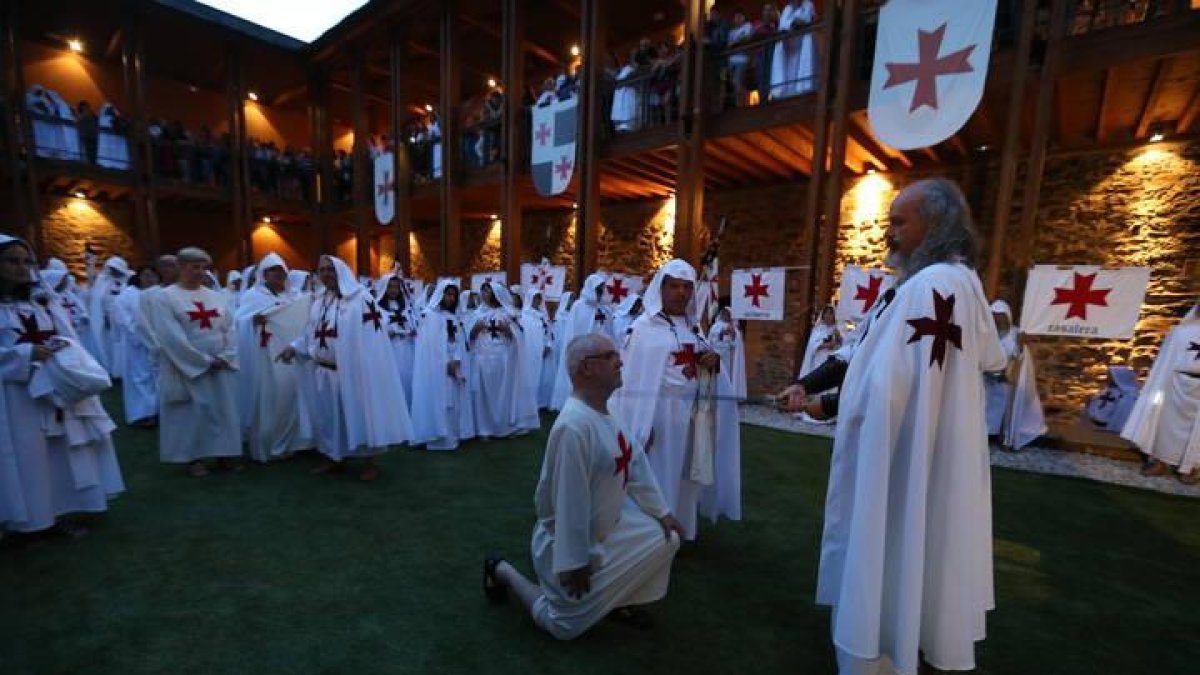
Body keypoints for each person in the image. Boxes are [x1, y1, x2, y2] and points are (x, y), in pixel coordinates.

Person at [780, 179, 1005, 675]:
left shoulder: (932, 287)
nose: (889, 232)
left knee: (895, 538)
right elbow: (859, 352)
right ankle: (901, 643)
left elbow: (890, 387)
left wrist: (827, 405)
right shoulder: (933, 283)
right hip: (918, 448)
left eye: (900, 221)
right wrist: (804, 383)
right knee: (916, 543)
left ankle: (881, 651)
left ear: (937, 224)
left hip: (904, 452)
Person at [483, 333, 683, 639]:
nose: (620, 361)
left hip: (609, 528)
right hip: (565, 540)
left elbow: (636, 464)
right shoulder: (573, 426)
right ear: (586, 368)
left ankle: (617, 601)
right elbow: (569, 503)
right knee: (564, 627)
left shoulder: (607, 411)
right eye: (610, 356)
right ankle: (502, 570)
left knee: (665, 537)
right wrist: (574, 561)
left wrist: (663, 511)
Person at [0, 234, 124, 537]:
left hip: (55, 389)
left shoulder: (40, 302)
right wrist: (25, 354)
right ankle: (26, 521)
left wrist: (62, 349)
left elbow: (68, 335)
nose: (21, 268)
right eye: (12, 261)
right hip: (15, 397)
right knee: (25, 456)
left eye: (27, 261)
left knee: (57, 454)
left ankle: (60, 511)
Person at [611, 260, 742, 541]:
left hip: (691, 418)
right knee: (657, 476)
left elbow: (707, 373)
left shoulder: (693, 328)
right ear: (661, 288)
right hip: (656, 418)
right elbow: (632, 383)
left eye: (686, 287)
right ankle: (651, 536)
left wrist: (714, 363)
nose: (681, 293)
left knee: (685, 477)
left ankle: (681, 531)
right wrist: (638, 426)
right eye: (674, 286)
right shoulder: (643, 329)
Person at [278, 255, 411, 480]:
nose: (326, 274)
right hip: (323, 370)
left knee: (361, 414)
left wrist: (364, 366)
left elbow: (372, 338)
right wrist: (294, 347)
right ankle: (333, 458)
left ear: (341, 270)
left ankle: (370, 462)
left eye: (330, 269)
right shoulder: (320, 301)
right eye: (322, 271)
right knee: (329, 417)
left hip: (354, 371)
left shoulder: (361, 299)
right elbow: (310, 333)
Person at [145, 247, 242, 477]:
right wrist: (203, 360)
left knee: (223, 410)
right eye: (194, 266)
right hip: (187, 366)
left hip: (220, 364)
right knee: (190, 413)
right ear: (180, 267)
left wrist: (226, 355)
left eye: (203, 267)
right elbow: (170, 335)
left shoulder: (215, 296)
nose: (200, 272)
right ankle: (193, 458)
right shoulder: (165, 297)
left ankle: (224, 455)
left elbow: (230, 327)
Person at [234, 253, 313, 463]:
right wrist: (253, 320)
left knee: (295, 396)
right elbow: (239, 321)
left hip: (293, 354)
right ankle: (271, 444)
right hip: (266, 356)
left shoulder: (295, 296)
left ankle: (297, 443)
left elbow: (304, 319)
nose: (278, 274)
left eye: (281, 270)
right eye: (273, 270)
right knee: (272, 397)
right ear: (264, 274)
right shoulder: (253, 296)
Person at [1122, 299, 1200, 484]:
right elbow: (1166, 363)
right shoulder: (1180, 333)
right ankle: (1160, 461)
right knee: (1166, 424)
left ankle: (1191, 467)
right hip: (1176, 385)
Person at [410, 279, 475, 450]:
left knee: (453, 401)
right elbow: (429, 345)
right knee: (440, 400)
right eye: (448, 294)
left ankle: (452, 435)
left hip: (455, 364)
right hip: (438, 368)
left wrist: (457, 359)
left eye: (454, 295)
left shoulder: (455, 317)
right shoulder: (430, 316)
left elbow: (459, 341)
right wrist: (445, 362)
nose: (451, 298)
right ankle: (437, 436)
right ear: (441, 295)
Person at [985, 300, 1046, 450]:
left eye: (1000, 316)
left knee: (1006, 409)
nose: (997, 319)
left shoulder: (1015, 335)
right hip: (989, 379)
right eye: (994, 316)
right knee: (987, 408)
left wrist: (1018, 349)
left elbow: (1021, 358)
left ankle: (1005, 435)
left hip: (1008, 379)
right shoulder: (987, 334)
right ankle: (987, 434)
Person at [469, 282, 527, 438]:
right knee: (484, 394)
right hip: (482, 358)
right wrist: (474, 330)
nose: (484, 294)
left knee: (502, 392)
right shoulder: (476, 314)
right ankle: (484, 428)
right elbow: (468, 338)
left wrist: (507, 331)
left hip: (503, 359)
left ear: (495, 293)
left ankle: (503, 426)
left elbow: (519, 337)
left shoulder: (508, 313)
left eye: (487, 291)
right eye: (483, 291)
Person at [551, 273, 614, 410]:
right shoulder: (579, 306)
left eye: (601, 288)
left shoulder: (604, 308)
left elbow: (610, 330)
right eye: (597, 287)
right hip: (586, 351)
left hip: (602, 350)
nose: (600, 290)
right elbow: (575, 330)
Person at [114, 265, 161, 427]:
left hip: (159, 342)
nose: (150, 279)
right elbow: (124, 320)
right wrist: (143, 335)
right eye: (147, 275)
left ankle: (159, 410)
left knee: (158, 377)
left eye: (153, 276)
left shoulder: (160, 293)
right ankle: (145, 413)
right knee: (141, 377)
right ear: (139, 277)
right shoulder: (127, 295)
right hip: (138, 345)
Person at [375, 271, 417, 405]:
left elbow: (414, 325)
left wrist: (413, 331)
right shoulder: (377, 309)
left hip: (407, 352)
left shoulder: (406, 308)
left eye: (396, 287)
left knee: (406, 382)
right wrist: (388, 334)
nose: (393, 290)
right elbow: (374, 332)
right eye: (390, 286)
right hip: (389, 352)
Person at [85, 256, 130, 377]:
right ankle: (111, 368)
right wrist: (105, 315)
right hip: (108, 319)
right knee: (110, 344)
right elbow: (97, 297)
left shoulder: (130, 280)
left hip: (125, 319)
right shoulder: (104, 281)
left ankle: (124, 369)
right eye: (111, 268)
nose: (113, 271)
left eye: (116, 268)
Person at [770, 0, 817, 99]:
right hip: (788, 45)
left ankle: (802, 91)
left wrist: (794, 23)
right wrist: (791, 23)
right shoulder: (787, 9)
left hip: (802, 42)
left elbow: (805, 20)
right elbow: (782, 25)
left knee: (800, 72)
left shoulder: (808, 4)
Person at [708, 306, 747, 401]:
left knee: (726, 376)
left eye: (727, 314)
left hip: (728, 356)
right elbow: (711, 340)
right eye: (723, 313)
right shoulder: (715, 326)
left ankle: (727, 395)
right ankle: (715, 395)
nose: (725, 315)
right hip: (717, 354)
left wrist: (732, 334)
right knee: (716, 376)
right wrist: (721, 333)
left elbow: (735, 343)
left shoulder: (734, 328)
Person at [798, 305, 842, 379]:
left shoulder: (839, 329)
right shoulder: (818, 329)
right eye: (826, 313)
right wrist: (825, 345)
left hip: (832, 361)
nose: (828, 316)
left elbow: (844, 344)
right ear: (823, 315)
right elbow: (811, 345)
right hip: (819, 360)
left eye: (831, 313)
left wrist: (838, 338)